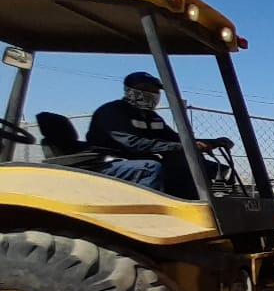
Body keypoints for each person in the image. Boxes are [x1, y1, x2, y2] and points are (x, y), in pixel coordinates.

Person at [87, 72, 230, 198]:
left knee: (190, 165)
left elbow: (175, 139)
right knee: (150, 168)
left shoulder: (152, 116)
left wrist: (212, 142)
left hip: (137, 161)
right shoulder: (112, 112)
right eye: (147, 89)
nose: (153, 94)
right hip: (107, 164)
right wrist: (181, 146)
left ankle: (198, 207)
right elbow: (134, 144)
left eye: (155, 91)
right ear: (130, 90)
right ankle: (148, 218)